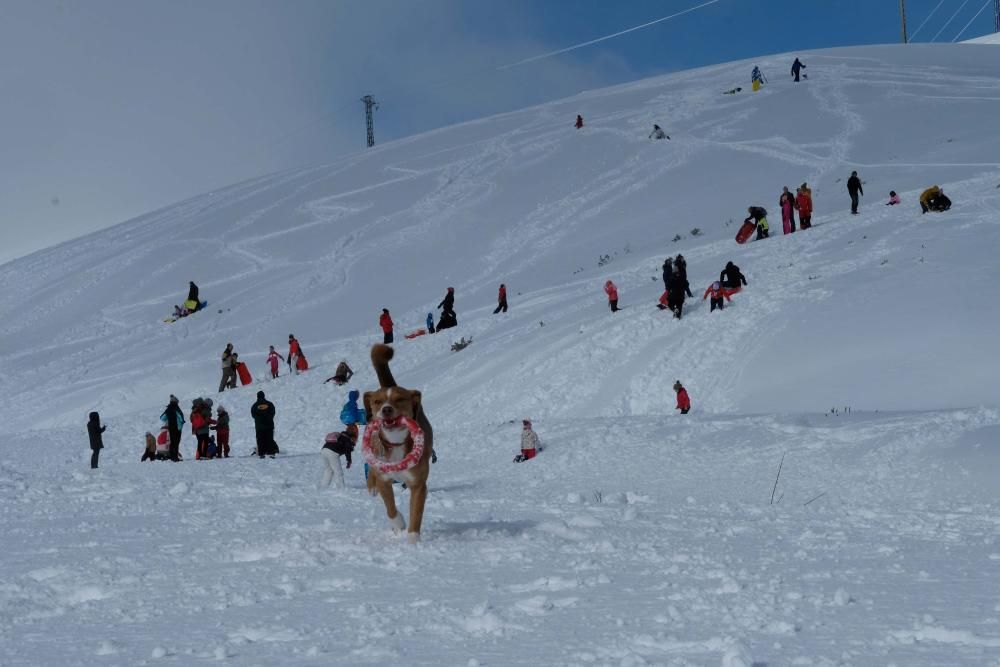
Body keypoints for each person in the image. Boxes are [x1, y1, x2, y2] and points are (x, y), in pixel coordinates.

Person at [319, 424, 358, 490]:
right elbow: (347, 450)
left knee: (328, 470)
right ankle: (340, 489)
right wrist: (349, 461)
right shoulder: (347, 439)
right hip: (332, 452)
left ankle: (323, 487)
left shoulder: (341, 435)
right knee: (338, 471)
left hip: (323, 450)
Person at [251, 391, 277, 458]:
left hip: (259, 426)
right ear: (264, 396)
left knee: (260, 440)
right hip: (269, 425)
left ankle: (262, 454)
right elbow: (273, 412)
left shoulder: (254, 405)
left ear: (257, 396)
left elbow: (253, 415)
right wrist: (268, 417)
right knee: (269, 439)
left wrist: (259, 419)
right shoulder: (270, 404)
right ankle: (271, 453)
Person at [160, 394, 184, 462]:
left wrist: (169, 419)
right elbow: (181, 417)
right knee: (176, 442)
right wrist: (182, 422)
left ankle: (172, 457)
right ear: (176, 402)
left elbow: (162, 418)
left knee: (172, 442)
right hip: (177, 428)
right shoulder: (176, 408)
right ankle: (175, 457)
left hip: (171, 427)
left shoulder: (168, 409)